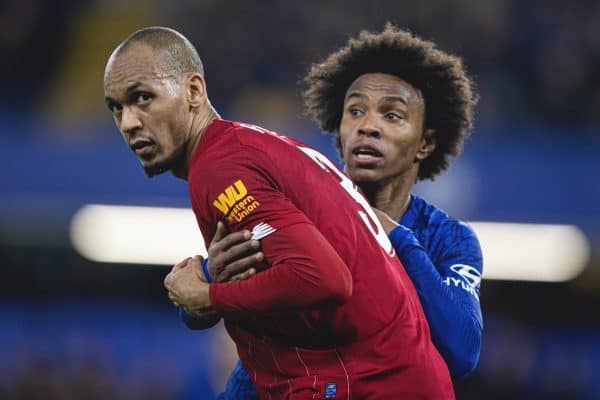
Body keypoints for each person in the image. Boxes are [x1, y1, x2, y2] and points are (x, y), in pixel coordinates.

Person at [103, 27, 454, 399]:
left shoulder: (220, 170)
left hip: (366, 382)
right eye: (116, 108)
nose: (129, 122)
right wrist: (208, 283)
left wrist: (209, 297)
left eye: (143, 98)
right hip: (394, 374)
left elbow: (324, 277)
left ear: (193, 91)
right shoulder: (250, 149)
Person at [204, 24, 483, 399]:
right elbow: (193, 307)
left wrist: (396, 237)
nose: (368, 126)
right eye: (355, 111)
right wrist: (211, 274)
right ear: (340, 131)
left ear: (425, 143)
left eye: (392, 115)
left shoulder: (448, 239)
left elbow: (462, 351)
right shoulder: (294, 211)